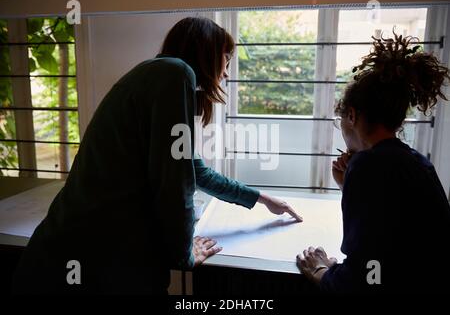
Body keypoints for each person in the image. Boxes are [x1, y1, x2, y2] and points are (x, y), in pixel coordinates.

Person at [13, 17, 301, 295]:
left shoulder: (154, 75)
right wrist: (184, 253)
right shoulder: (175, 74)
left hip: (68, 252)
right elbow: (176, 184)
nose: (226, 72)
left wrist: (261, 198)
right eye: (226, 59)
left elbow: (195, 172)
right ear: (207, 52)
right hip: (91, 260)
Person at [297, 33, 450, 294]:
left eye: (340, 120)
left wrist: (322, 272)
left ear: (352, 116)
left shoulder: (367, 166)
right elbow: (387, 245)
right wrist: (348, 188)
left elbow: (366, 281)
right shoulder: (418, 164)